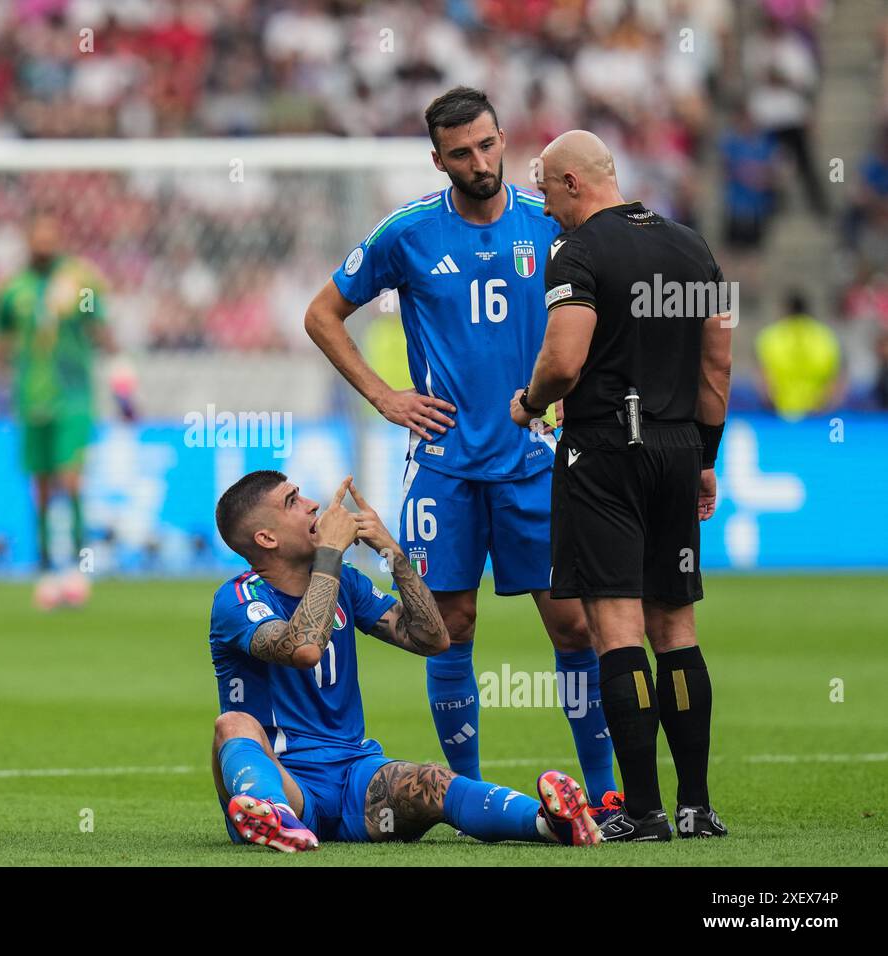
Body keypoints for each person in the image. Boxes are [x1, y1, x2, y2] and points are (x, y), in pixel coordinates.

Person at [304, 86, 617, 812]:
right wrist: (384, 396)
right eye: (461, 152)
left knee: (572, 623)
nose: (479, 161)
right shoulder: (407, 233)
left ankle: (604, 793)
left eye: (488, 144)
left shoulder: (552, 224)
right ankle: (467, 790)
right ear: (438, 158)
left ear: (504, 139)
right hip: (443, 465)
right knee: (448, 629)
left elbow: (603, 311)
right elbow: (322, 315)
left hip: (536, 460)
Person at [512, 129, 732, 841]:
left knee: (617, 630)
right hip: (675, 446)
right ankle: (696, 805)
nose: (544, 206)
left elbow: (565, 359)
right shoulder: (692, 247)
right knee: (677, 625)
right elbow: (718, 364)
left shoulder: (577, 252)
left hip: (605, 448)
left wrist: (531, 399)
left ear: (576, 182)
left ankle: (642, 811)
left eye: (545, 188)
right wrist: (704, 454)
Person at [210, 470, 602, 852]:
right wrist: (330, 552)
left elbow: (434, 639)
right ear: (266, 537)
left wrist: (393, 553)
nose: (313, 505)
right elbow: (304, 649)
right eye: (293, 501)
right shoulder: (238, 599)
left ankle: (552, 824)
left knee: (431, 781)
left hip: (354, 776)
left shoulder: (346, 580)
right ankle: (272, 815)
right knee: (233, 724)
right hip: (284, 777)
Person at [0, 213, 114, 604]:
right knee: (41, 487)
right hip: (30, 397)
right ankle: (45, 569)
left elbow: (99, 328)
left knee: (71, 479)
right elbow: (1, 337)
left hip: (73, 395)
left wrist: (120, 372)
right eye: (37, 236)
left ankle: (78, 568)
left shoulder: (80, 281)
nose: (43, 243)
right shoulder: (13, 289)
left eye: (50, 236)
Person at [756, 292, 842, 419]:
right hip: (816, 414)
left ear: (786, 309)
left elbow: (763, 378)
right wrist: (824, 408)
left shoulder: (770, 336)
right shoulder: (826, 336)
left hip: (780, 414)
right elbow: (836, 379)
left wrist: (772, 405)